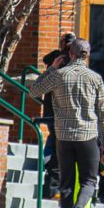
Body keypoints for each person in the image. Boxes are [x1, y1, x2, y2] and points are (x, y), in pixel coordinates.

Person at [28, 38, 104, 208]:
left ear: (70, 54)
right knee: (89, 180)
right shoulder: (95, 78)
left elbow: (33, 91)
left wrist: (51, 69)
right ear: (87, 55)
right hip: (87, 136)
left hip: (63, 137)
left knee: (66, 185)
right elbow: (103, 113)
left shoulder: (59, 75)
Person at [41, 33, 77, 192]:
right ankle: (53, 178)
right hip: (64, 110)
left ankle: (50, 175)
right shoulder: (71, 62)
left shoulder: (55, 59)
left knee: (55, 141)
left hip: (53, 108)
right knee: (58, 143)